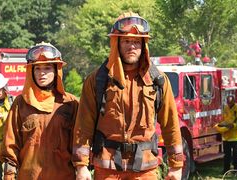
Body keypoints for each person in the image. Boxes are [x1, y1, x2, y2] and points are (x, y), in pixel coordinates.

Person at [72, 12, 183, 180]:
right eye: (126, 41)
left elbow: (171, 125)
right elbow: (83, 126)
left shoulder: (158, 80)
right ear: (116, 43)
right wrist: (81, 166)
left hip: (145, 170)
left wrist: (176, 166)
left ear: (144, 44)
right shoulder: (97, 80)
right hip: (107, 169)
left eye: (136, 41)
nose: (132, 46)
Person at [0, 42, 79, 180]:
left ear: (56, 71)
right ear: (31, 72)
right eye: (37, 69)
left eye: (47, 68)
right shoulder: (20, 104)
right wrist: (9, 175)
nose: (42, 73)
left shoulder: (70, 103)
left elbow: (80, 144)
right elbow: (10, 145)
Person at [214, 95, 237, 174]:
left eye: (230, 103)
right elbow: (223, 119)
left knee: (236, 155)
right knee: (226, 155)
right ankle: (226, 170)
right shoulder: (226, 108)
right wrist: (221, 125)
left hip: (235, 137)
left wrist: (233, 126)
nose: (229, 104)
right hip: (226, 136)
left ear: (234, 102)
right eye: (228, 103)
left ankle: (236, 170)